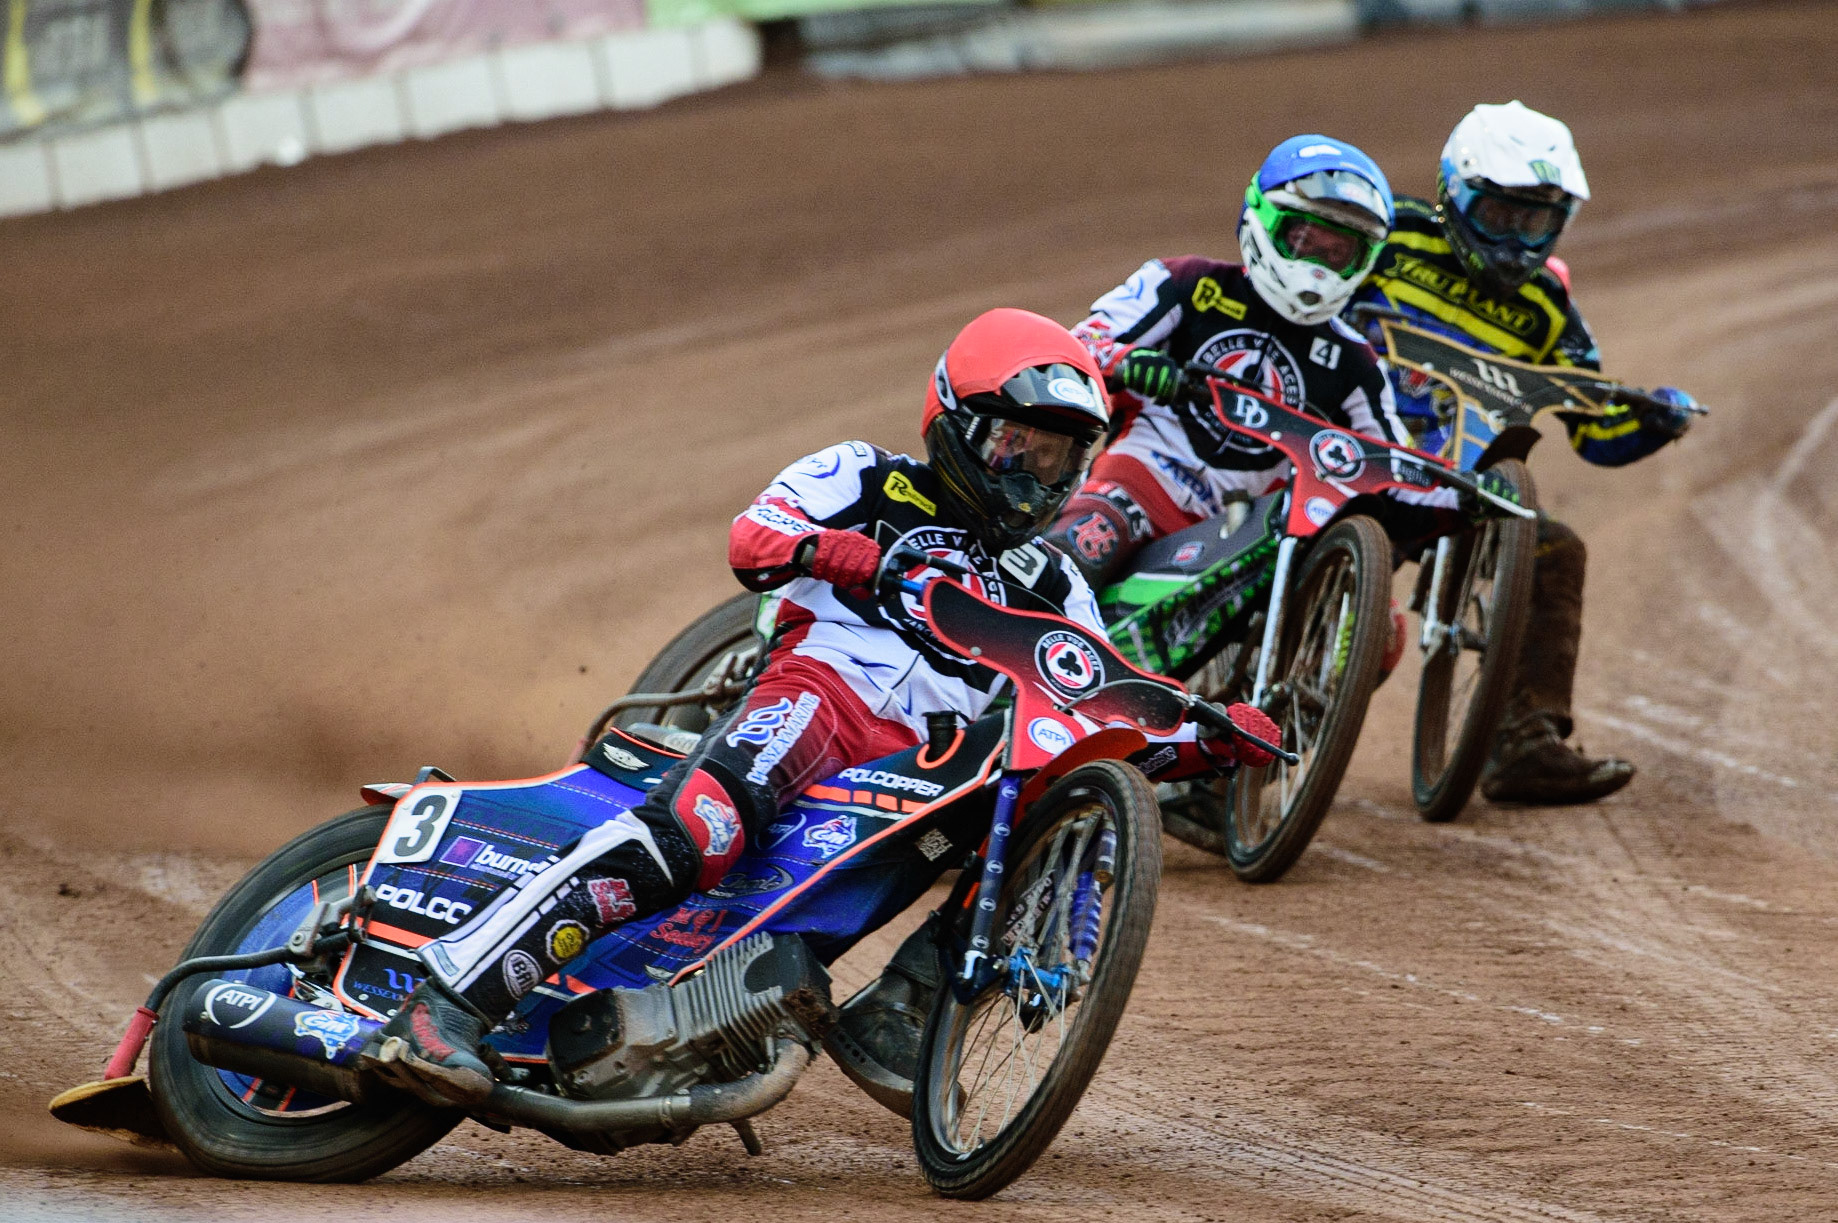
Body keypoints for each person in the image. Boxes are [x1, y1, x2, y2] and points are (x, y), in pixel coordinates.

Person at [370, 308, 1279, 1110]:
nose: (1035, 478)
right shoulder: (867, 475)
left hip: (925, 764)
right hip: (821, 698)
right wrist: (853, 557)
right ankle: (447, 1000)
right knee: (702, 829)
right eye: (1017, 447)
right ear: (958, 425)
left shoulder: (1056, 578)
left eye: (1059, 459)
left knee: (1054, 793)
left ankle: (906, 1006)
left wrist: (1207, 732)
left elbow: (1099, 688)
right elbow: (751, 538)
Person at [1347, 101, 1699, 805]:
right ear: (1455, 195)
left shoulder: (1548, 311)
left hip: (1460, 482)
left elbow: (1595, 430)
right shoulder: (1387, 237)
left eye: (1535, 222)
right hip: (1343, 452)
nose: (1515, 242)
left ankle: (1523, 740)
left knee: (1553, 550)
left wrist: (1656, 418)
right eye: (1501, 216)